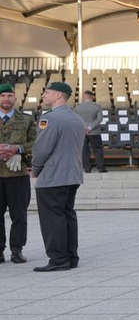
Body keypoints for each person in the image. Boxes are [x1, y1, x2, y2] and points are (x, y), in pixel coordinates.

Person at [29, 81, 86, 272]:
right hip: (73, 174)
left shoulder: (50, 119)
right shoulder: (77, 118)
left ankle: (58, 259)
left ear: (58, 96)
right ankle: (71, 256)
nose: (43, 95)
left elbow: (42, 148)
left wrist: (35, 169)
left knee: (52, 218)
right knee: (67, 215)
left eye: (47, 92)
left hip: (53, 175)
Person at [0, 82, 36, 264]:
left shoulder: (27, 120)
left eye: (9, 95)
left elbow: (36, 144)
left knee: (19, 214)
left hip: (18, 175)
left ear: (15, 98)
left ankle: (17, 250)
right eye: (3, 96)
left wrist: (17, 149)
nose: (6, 99)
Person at [76, 89, 107, 174]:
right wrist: (90, 127)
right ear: (92, 97)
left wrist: (84, 127)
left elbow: (76, 120)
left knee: (84, 150)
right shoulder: (96, 106)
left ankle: (86, 168)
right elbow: (99, 119)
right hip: (94, 131)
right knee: (98, 149)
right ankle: (100, 168)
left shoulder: (78, 107)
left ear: (84, 97)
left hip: (82, 131)